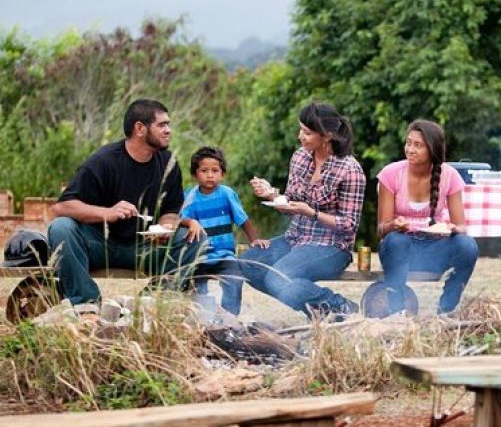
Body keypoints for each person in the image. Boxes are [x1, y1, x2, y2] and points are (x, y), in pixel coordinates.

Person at [49, 99, 207, 305]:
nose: (168, 130)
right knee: (61, 228)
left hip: (144, 246)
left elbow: (171, 209)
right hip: (99, 245)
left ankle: (153, 302)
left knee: (196, 239)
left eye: (168, 124)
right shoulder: (103, 160)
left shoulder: (169, 162)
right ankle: (85, 303)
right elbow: (61, 207)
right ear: (140, 128)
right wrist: (107, 212)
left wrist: (166, 227)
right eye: (162, 125)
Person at [238, 102, 365, 319]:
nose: (300, 136)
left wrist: (312, 213)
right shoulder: (300, 157)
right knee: (247, 264)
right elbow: (291, 204)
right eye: (300, 130)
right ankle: (317, 309)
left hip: (331, 247)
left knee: (278, 278)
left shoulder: (350, 169)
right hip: (295, 238)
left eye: (307, 132)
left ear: (327, 135)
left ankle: (338, 304)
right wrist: (271, 194)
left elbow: (349, 225)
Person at [376, 119, 479, 316]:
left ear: (432, 149)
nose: (410, 149)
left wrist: (452, 229)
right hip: (401, 249)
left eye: (418, 145)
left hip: (434, 248)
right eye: (408, 143)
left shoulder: (450, 176)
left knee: (468, 245)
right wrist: (394, 225)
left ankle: (446, 309)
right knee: (395, 241)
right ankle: (397, 311)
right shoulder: (390, 174)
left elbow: (462, 227)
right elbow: (380, 229)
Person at [180, 146, 269, 315]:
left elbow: (242, 219)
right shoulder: (190, 196)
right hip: (200, 256)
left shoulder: (227, 194)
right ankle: (203, 318)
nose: (210, 175)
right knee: (196, 287)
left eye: (215, 170)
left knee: (234, 280)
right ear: (195, 174)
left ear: (223, 174)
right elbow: (179, 219)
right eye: (204, 170)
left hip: (225, 255)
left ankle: (229, 319)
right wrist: (190, 221)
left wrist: (254, 240)